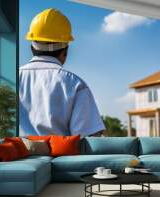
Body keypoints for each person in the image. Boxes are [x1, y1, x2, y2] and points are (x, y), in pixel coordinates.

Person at [19, 8, 105, 137]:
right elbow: (88, 138)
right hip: (61, 156)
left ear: (32, 48)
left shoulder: (12, 78)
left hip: (13, 156)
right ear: (65, 51)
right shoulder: (75, 84)